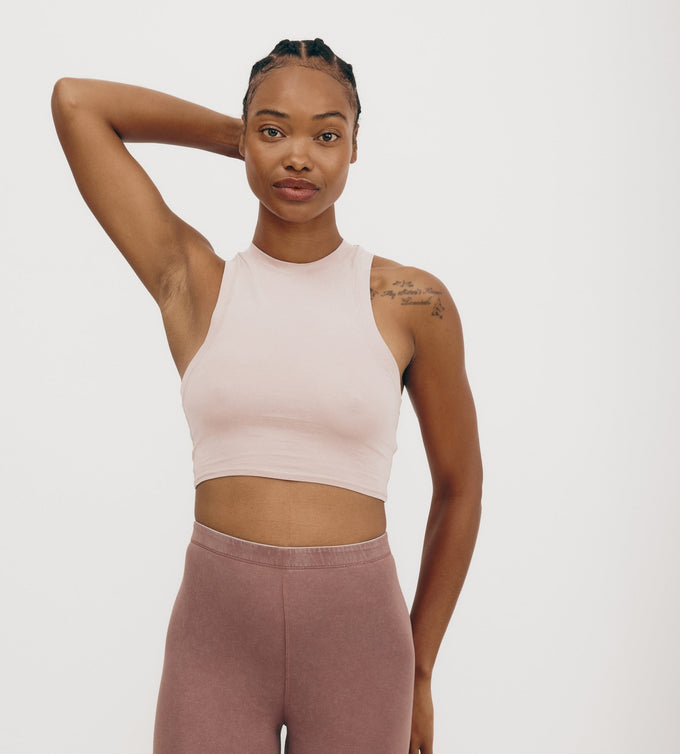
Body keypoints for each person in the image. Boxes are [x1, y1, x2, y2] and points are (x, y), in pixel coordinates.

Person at [51, 38, 482, 754]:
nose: (299, 157)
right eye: (275, 131)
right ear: (246, 138)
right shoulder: (194, 282)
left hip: (360, 646)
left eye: (327, 136)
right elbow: (76, 103)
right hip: (215, 639)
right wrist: (241, 136)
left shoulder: (411, 302)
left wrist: (421, 666)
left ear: (355, 147)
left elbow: (460, 488)